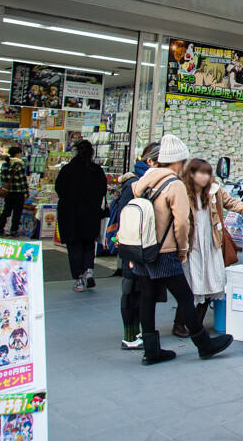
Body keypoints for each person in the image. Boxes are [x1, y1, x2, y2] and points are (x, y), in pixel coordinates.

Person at [130, 134, 232, 365]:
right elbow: (182, 222)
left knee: (147, 298)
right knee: (186, 297)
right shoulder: (174, 183)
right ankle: (204, 345)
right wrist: (183, 250)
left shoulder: (146, 179)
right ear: (178, 160)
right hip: (164, 251)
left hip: (143, 249)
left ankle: (151, 350)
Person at [173, 158, 243, 338]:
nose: (205, 177)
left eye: (207, 173)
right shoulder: (182, 192)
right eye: (201, 173)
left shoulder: (215, 191)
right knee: (190, 285)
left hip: (211, 243)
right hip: (192, 245)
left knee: (211, 282)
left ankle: (197, 325)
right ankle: (179, 324)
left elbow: (234, 204)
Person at [110, 142, 161, 349]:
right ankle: (130, 337)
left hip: (140, 245)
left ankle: (138, 333)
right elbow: (128, 218)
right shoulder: (136, 184)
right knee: (132, 289)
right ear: (150, 161)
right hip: (133, 246)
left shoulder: (143, 179)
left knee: (140, 289)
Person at [55, 140, 108, 292]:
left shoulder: (67, 170)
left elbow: (59, 189)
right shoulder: (97, 170)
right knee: (88, 243)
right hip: (91, 214)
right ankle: (89, 270)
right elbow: (103, 191)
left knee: (74, 246)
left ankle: (79, 279)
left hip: (70, 214)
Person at [0, 147, 28, 237]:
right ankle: (13, 231)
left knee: (6, 211)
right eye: (20, 153)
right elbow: (23, 181)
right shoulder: (19, 166)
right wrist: (26, 193)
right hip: (18, 192)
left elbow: (2, 180)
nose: (20, 155)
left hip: (8, 192)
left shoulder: (4, 165)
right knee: (17, 213)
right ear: (16, 154)